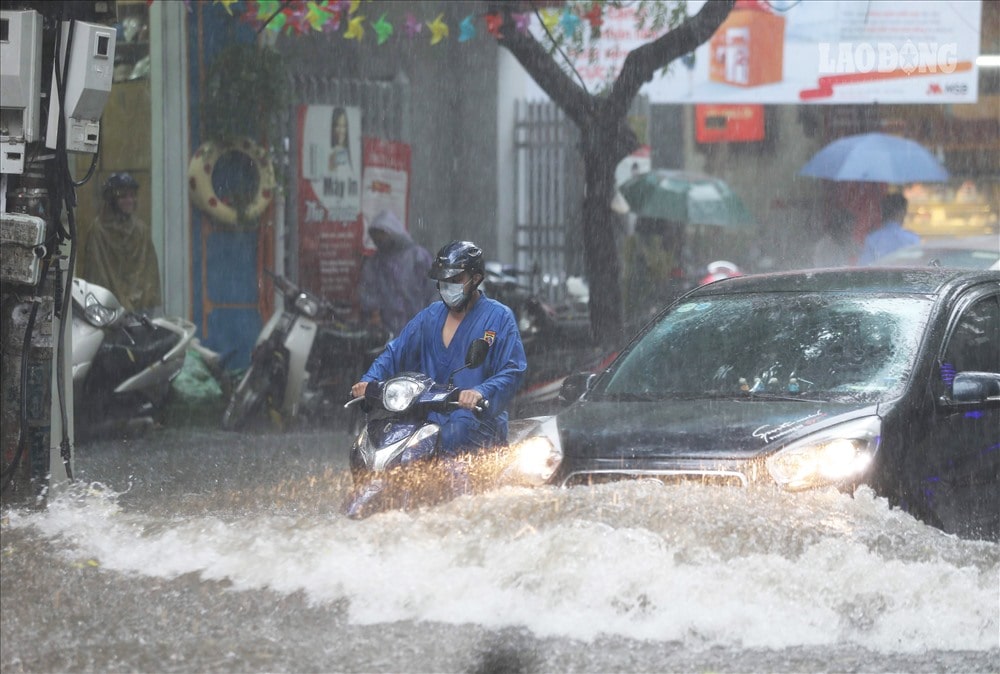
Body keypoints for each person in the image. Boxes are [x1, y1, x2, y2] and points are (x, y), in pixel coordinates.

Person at [351, 240, 527, 457]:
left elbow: (512, 369)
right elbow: (396, 352)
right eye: (444, 281)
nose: (448, 286)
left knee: (456, 433)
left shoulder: (499, 317)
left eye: (455, 280)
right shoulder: (430, 316)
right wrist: (369, 381)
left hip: (475, 422)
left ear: (476, 278)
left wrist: (480, 392)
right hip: (427, 416)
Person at [76, 173, 161, 313]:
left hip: (140, 313)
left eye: (132, 195)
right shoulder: (98, 231)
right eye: (123, 196)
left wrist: (143, 304)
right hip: (109, 312)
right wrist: (118, 303)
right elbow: (96, 277)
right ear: (111, 200)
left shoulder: (141, 231)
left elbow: (150, 276)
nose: (130, 200)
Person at [357, 210, 436, 335]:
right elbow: (368, 292)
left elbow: (433, 289)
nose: (378, 240)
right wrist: (374, 314)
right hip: (388, 331)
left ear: (392, 232)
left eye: (382, 234)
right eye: (375, 236)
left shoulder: (418, 257)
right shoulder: (375, 263)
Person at [857, 193, 918, 265]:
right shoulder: (912, 239)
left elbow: (864, 266)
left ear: (883, 212)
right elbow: (917, 265)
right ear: (902, 213)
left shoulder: (873, 238)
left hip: (880, 275)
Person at [328, 107, 352, 174]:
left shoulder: (352, 152)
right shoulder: (332, 155)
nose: (341, 130)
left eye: (344, 126)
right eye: (337, 126)